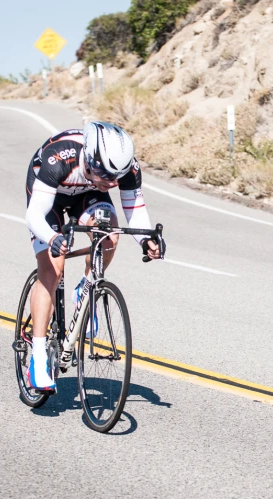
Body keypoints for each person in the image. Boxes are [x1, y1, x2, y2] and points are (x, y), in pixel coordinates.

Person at [24, 121, 163, 392]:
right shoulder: (58, 158)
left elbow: (134, 208)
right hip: (48, 197)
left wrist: (146, 239)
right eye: (106, 175)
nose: (111, 183)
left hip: (86, 194)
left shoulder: (124, 168)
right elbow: (34, 215)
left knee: (110, 235)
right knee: (52, 269)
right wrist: (53, 238)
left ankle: (85, 289)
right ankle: (38, 358)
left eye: (116, 177)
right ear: (88, 158)